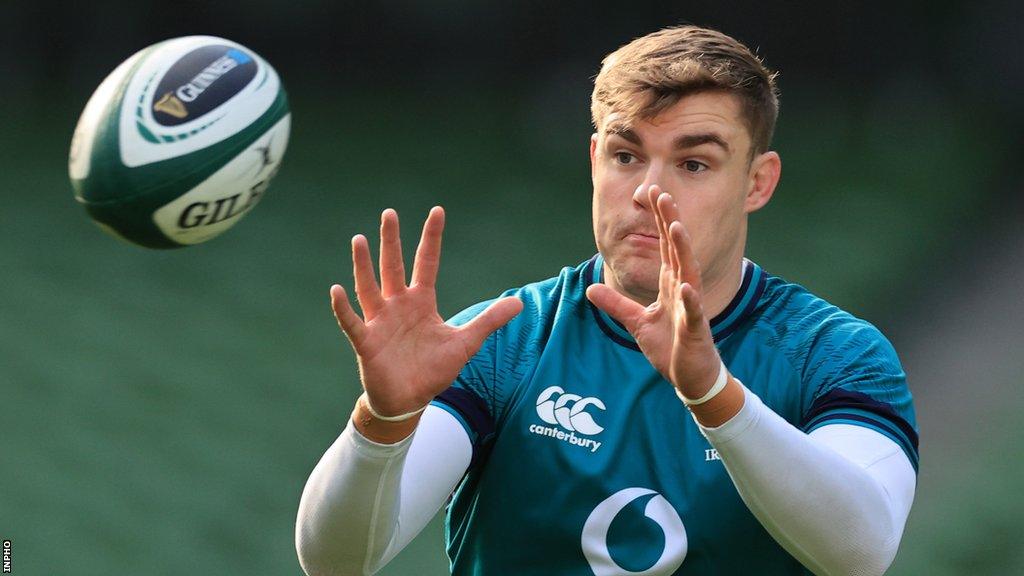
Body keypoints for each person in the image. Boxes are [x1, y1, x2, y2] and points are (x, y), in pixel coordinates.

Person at [295, 25, 918, 576]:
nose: (648, 190)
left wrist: (715, 398)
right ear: (595, 160)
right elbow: (337, 562)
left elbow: (860, 552)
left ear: (758, 182)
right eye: (626, 155)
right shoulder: (507, 341)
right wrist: (383, 422)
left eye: (694, 164)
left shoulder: (833, 354)